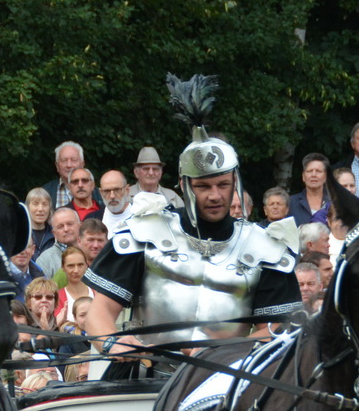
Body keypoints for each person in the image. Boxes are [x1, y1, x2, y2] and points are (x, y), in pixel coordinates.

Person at [82, 77, 301, 352]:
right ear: (184, 186)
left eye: (223, 185)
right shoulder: (146, 232)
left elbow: (277, 330)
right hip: (149, 375)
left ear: (235, 183)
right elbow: (98, 312)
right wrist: (112, 342)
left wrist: (221, 355)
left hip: (228, 380)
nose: (215, 195)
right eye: (203, 186)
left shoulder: (264, 247)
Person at [287, 153, 331, 225]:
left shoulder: (335, 202)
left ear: (326, 176)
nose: (313, 175)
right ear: (303, 176)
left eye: (318, 171)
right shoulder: (291, 203)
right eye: (309, 171)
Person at [41, 140, 85, 210]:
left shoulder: (97, 194)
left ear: (82, 164)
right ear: (57, 166)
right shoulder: (44, 192)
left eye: (73, 160)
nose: (69, 165)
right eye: (64, 160)